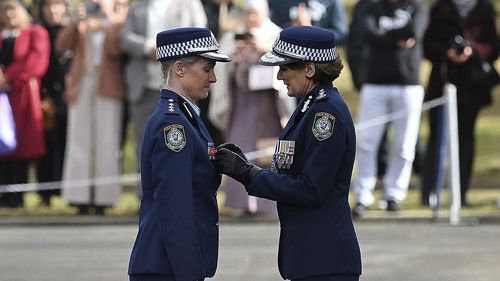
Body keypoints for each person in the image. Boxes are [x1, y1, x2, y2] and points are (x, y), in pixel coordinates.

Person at [215, 26, 362, 281]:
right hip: (310, 257)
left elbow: (311, 188)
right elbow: (293, 167)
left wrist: (249, 175)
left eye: (285, 68)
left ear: (309, 69)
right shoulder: (309, 106)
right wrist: (247, 166)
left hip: (324, 259)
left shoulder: (324, 114)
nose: (280, 75)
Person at [128, 27, 230, 281]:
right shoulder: (173, 125)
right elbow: (175, 205)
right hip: (167, 266)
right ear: (179, 68)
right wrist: (189, 272)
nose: (213, 78)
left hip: (169, 264)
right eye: (207, 69)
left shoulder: (185, 117)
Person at [209, 0, 294, 217]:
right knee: (240, 148)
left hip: (269, 107)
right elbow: (221, 63)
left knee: (267, 153)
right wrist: (235, 57)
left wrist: (265, 50)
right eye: (248, 13)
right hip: (241, 105)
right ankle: (241, 203)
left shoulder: (277, 35)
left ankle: (268, 204)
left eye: (255, 13)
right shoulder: (232, 36)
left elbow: (287, 64)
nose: (251, 18)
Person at [351, 0, 428, 216]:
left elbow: (415, 30)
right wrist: (398, 37)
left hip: (408, 84)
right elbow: (367, 33)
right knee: (367, 142)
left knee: (404, 145)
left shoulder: (418, 6)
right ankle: (363, 194)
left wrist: (384, 34)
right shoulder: (371, 6)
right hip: (375, 83)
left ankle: (394, 194)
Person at [421, 0, 499, 207]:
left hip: (472, 87)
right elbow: (427, 44)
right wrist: (447, 52)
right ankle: (430, 192)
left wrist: (471, 51)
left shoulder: (484, 10)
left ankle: (461, 193)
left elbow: (493, 47)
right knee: (437, 138)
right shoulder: (440, 9)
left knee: (466, 139)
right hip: (443, 83)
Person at [119, 0, 208, 175]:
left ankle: (180, 186)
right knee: (143, 144)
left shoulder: (189, 4)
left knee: (182, 143)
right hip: (143, 88)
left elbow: (201, 36)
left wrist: (166, 51)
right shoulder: (137, 6)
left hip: (179, 88)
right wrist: (147, 48)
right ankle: (144, 194)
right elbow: (124, 38)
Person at [57, 0, 123, 215]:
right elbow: (62, 44)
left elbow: (118, 49)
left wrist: (109, 21)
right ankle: (78, 197)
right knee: (79, 139)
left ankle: (106, 198)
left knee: (107, 141)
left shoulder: (120, 17)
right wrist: (77, 20)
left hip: (108, 83)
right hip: (82, 81)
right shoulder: (82, 21)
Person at [0, 0, 50, 208]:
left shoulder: (35, 33)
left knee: (20, 147)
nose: (11, 15)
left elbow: (36, 63)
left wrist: (7, 77)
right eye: (6, 11)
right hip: (3, 99)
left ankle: (16, 198)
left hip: (22, 98)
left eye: (14, 10)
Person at [34, 0, 73, 207]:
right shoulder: (37, 32)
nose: (52, 10)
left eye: (57, 5)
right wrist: (43, 94)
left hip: (70, 95)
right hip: (44, 97)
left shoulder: (72, 30)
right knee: (46, 146)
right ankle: (45, 194)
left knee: (68, 144)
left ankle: (68, 193)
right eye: (48, 6)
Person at [267, 0, 348, 45]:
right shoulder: (279, 2)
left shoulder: (332, 2)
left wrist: (312, 31)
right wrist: (293, 27)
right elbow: (271, 30)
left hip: (320, 61)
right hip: (289, 59)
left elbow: (341, 35)